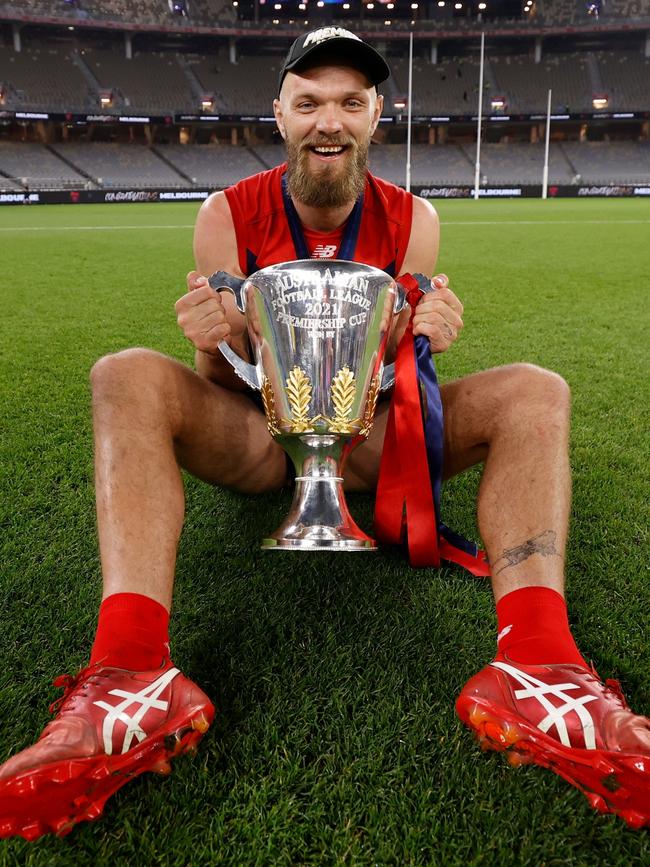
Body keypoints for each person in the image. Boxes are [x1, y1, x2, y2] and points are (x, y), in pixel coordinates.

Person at [1, 27, 648, 840]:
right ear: (280, 113)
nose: (329, 121)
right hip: (260, 438)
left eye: (350, 101)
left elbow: (398, 385)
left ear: (378, 114)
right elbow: (212, 387)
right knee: (123, 371)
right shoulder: (224, 212)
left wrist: (429, 331)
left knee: (537, 392)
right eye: (309, 102)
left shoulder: (415, 219)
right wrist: (211, 337)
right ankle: (130, 671)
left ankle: (541, 666)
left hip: (370, 441)